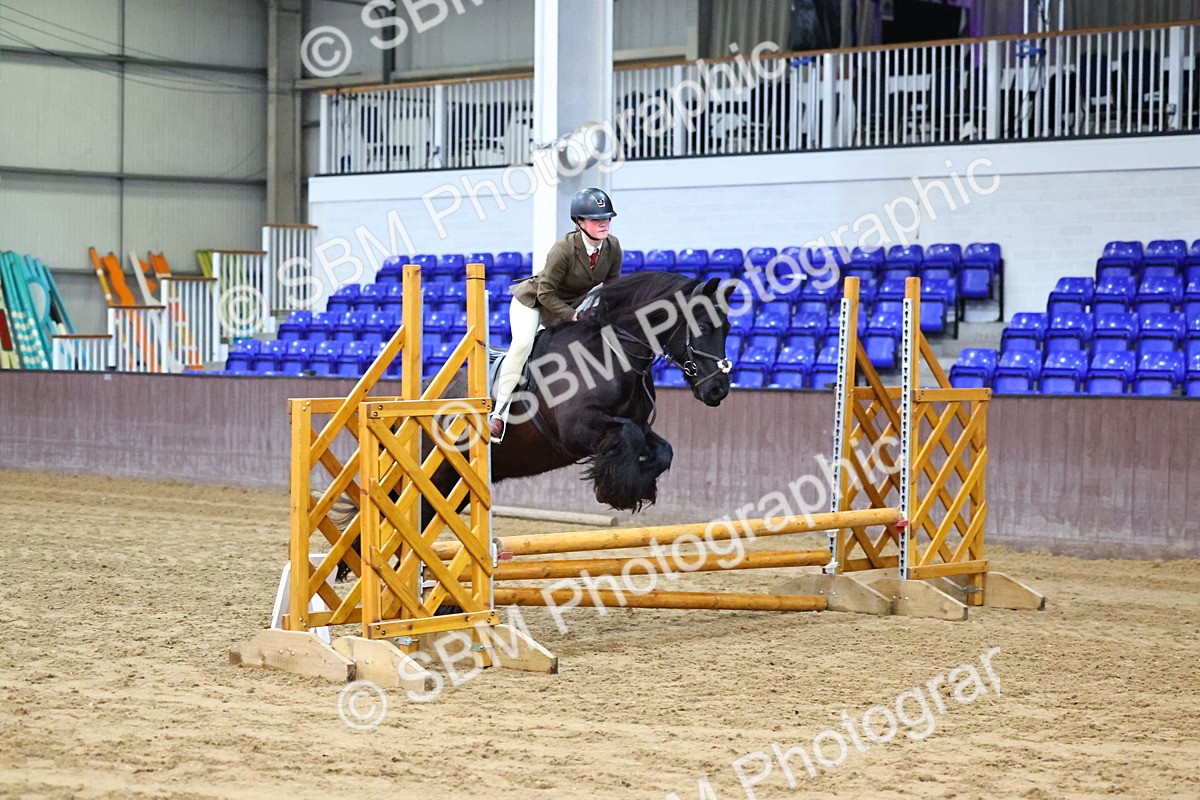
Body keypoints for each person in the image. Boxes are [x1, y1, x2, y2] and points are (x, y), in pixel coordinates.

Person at [490, 187, 623, 439]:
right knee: (522, 344)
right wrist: (573, 316)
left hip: (570, 305)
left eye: (607, 218)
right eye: (596, 219)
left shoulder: (613, 247)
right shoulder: (563, 248)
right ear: (580, 222)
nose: (604, 223)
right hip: (533, 303)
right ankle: (498, 415)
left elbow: (612, 288)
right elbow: (545, 294)